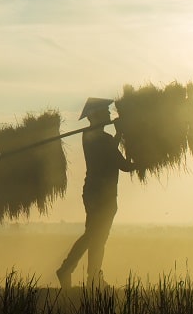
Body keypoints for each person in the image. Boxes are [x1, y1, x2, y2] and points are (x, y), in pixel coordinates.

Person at [56, 97, 134, 289]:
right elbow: (122, 165)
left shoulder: (91, 136)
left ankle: (93, 278)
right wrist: (122, 135)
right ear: (97, 116)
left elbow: (110, 153)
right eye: (106, 113)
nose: (109, 115)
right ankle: (68, 269)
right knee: (94, 235)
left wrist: (117, 135)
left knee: (96, 236)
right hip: (102, 195)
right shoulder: (99, 138)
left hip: (94, 192)